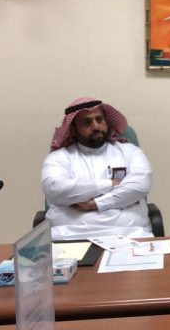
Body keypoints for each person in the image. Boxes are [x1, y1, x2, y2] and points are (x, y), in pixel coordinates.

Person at [41, 97, 154, 240]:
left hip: (129, 233)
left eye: (100, 120)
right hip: (70, 236)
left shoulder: (129, 151)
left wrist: (96, 203)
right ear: (73, 130)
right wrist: (110, 184)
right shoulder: (59, 157)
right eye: (87, 122)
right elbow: (54, 188)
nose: (96, 126)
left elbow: (139, 186)